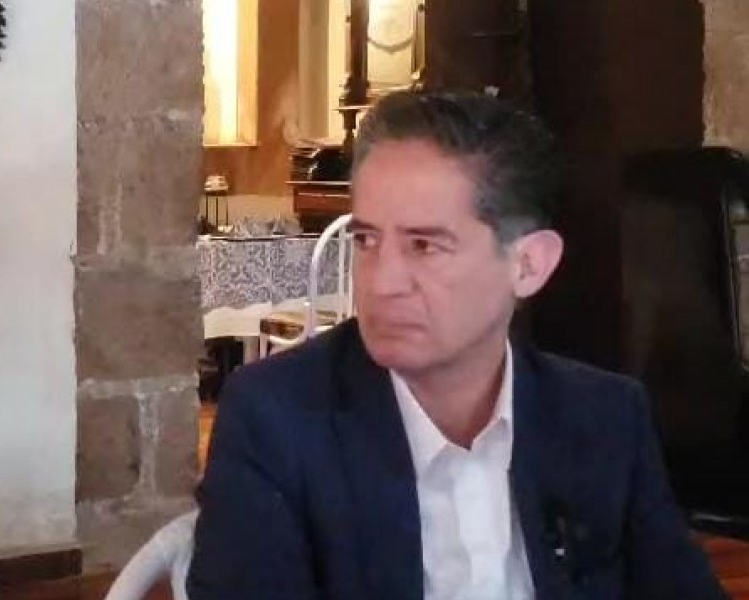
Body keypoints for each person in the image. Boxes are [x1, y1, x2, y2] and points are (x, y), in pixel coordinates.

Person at [187, 90, 727, 600]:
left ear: (529, 265)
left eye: (424, 245)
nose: (381, 282)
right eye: (367, 240)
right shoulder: (278, 419)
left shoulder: (604, 417)